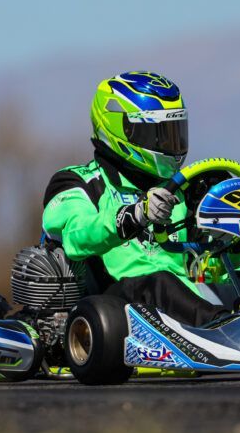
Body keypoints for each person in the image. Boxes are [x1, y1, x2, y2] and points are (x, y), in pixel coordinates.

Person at [41, 71, 230, 327]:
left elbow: (205, 269)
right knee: (160, 282)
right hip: (112, 307)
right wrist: (136, 215)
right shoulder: (76, 183)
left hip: (186, 301)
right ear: (123, 128)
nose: (170, 143)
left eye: (174, 132)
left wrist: (232, 244)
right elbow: (76, 237)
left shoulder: (184, 189)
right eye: (159, 133)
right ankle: (225, 332)